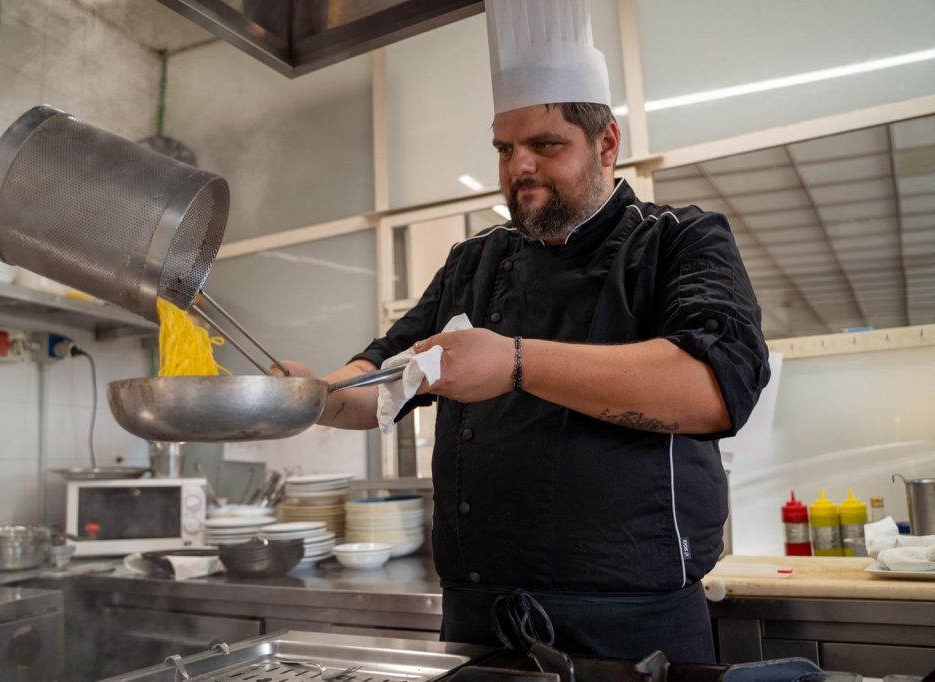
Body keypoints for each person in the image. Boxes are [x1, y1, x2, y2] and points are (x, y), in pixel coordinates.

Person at [274, 0, 770, 663]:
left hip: (631, 625)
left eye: (546, 145)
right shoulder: (475, 262)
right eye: (506, 150)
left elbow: (715, 388)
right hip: (481, 618)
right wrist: (311, 399)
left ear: (607, 143)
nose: (519, 169)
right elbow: (386, 376)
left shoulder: (677, 240)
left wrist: (514, 363)